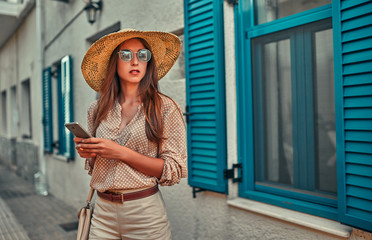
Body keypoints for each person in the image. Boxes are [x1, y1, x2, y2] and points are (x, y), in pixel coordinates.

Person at [75, 29, 187, 240]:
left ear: (148, 62)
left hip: (144, 214)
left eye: (142, 55)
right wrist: (89, 153)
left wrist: (121, 152)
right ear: (114, 63)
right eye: (125, 55)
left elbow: (172, 169)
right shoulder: (97, 108)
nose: (135, 61)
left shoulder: (165, 107)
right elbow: (96, 166)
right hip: (103, 213)